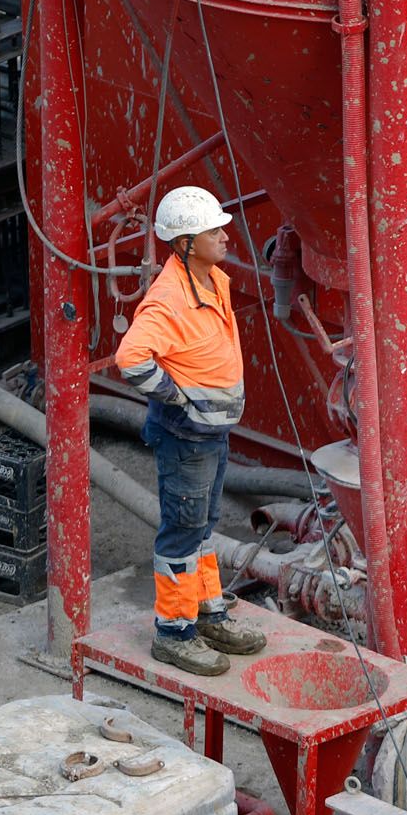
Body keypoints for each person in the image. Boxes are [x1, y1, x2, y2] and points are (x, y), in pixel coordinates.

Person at [114, 185, 266, 675]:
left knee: (204, 527)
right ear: (184, 243)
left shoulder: (212, 280)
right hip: (185, 437)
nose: (224, 236)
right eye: (212, 231)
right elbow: (130, 359)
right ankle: (174, 632)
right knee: (182, 531)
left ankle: (206, 610)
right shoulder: (168, 299)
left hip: (210, 436)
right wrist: (177, 397)